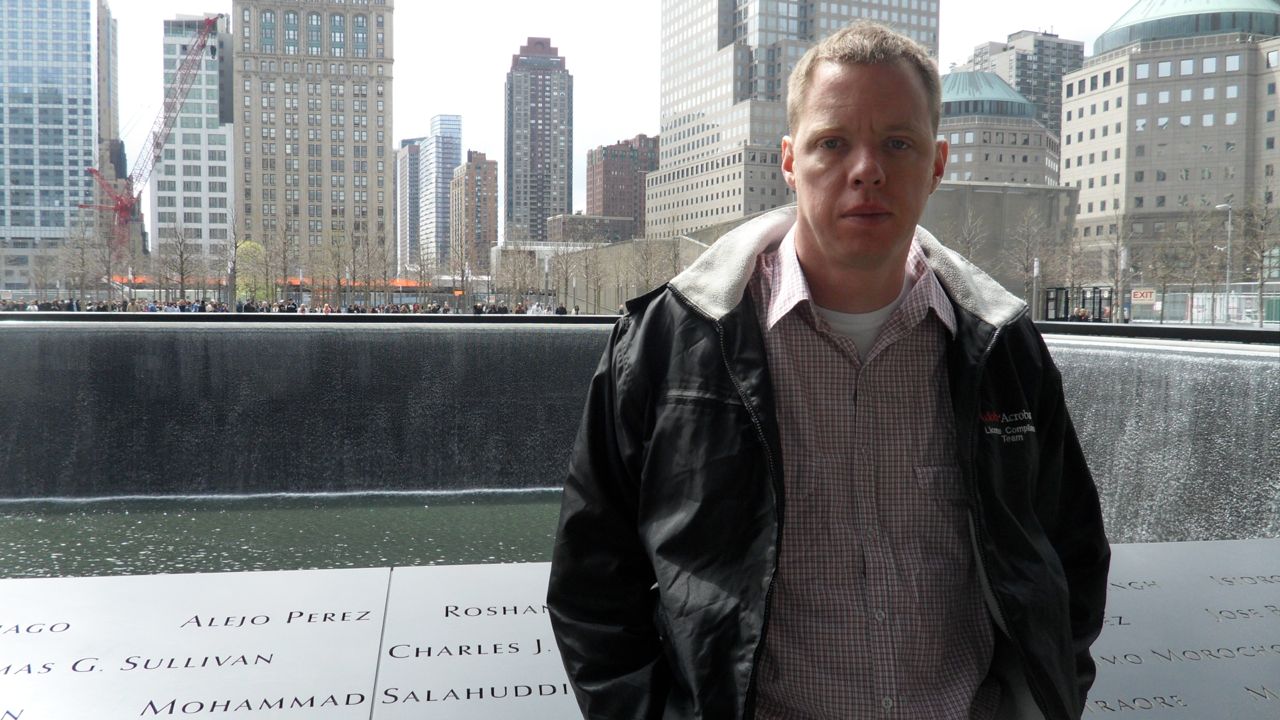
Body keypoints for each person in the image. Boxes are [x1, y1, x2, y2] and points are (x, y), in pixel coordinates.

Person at [547, 21, 1109, 720]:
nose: (866, 168)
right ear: (790, 160)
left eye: (897, 143)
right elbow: (593, 584)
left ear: (937, 163)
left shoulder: (1003, 346)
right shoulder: (669, 341)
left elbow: (1070, 555)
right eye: (833, 142)